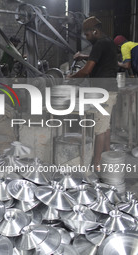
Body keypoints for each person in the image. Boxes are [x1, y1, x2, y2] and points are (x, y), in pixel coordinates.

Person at [67, 16, 118, 170]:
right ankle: (107, 155)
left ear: (95, 31)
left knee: (99, 129)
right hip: (110, 90)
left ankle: (96, 165)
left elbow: (87, 70)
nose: (87, 38)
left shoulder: (99, 44)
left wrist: (71, 78)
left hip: (104, 92)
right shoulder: (107, 41)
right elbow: (98, 58)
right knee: (106, 125)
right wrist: (83, 56)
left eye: (87, 34)